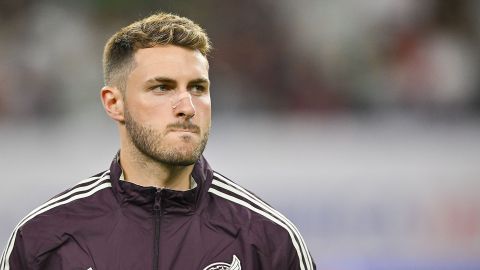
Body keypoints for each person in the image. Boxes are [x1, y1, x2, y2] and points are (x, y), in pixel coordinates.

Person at [0, 12, 316, 270]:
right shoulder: (42, 240)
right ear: (114, 103)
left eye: (197, 88)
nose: (187, 107)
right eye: (162, 88)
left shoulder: (269, 241)